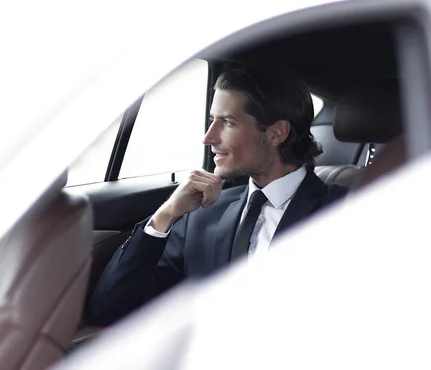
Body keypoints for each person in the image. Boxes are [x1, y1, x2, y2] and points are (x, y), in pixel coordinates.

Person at [87, 63, 348, 325]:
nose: (208, 137)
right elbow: (110, 308)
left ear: (277, 132)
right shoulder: (202, 214)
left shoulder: (350, 211)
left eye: (228, 122)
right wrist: (165, 215)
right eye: (213, 120)